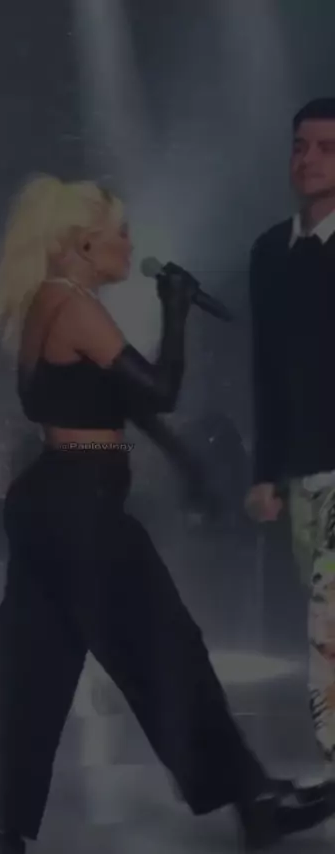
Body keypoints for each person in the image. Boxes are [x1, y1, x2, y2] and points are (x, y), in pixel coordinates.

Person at [0, 175, 335, 854]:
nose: (130, 246)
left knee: (26, 669)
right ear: (83, 243)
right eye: (121, 233)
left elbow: (124, 403)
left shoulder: (49, 301)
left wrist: (188, 467)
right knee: (166, 648)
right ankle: (255, 800)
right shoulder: (72, 306)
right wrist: (175, 309)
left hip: (59, 503)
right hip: (79, 509)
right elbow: (160, 391)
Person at [246, 98, 335, 781]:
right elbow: (267, 369)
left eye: (327, 148)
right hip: (303, 467)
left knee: (328, 625)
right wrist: (266, 472)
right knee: (320, 616)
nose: (309, 160)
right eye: (300, 146)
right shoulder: (270, 251)